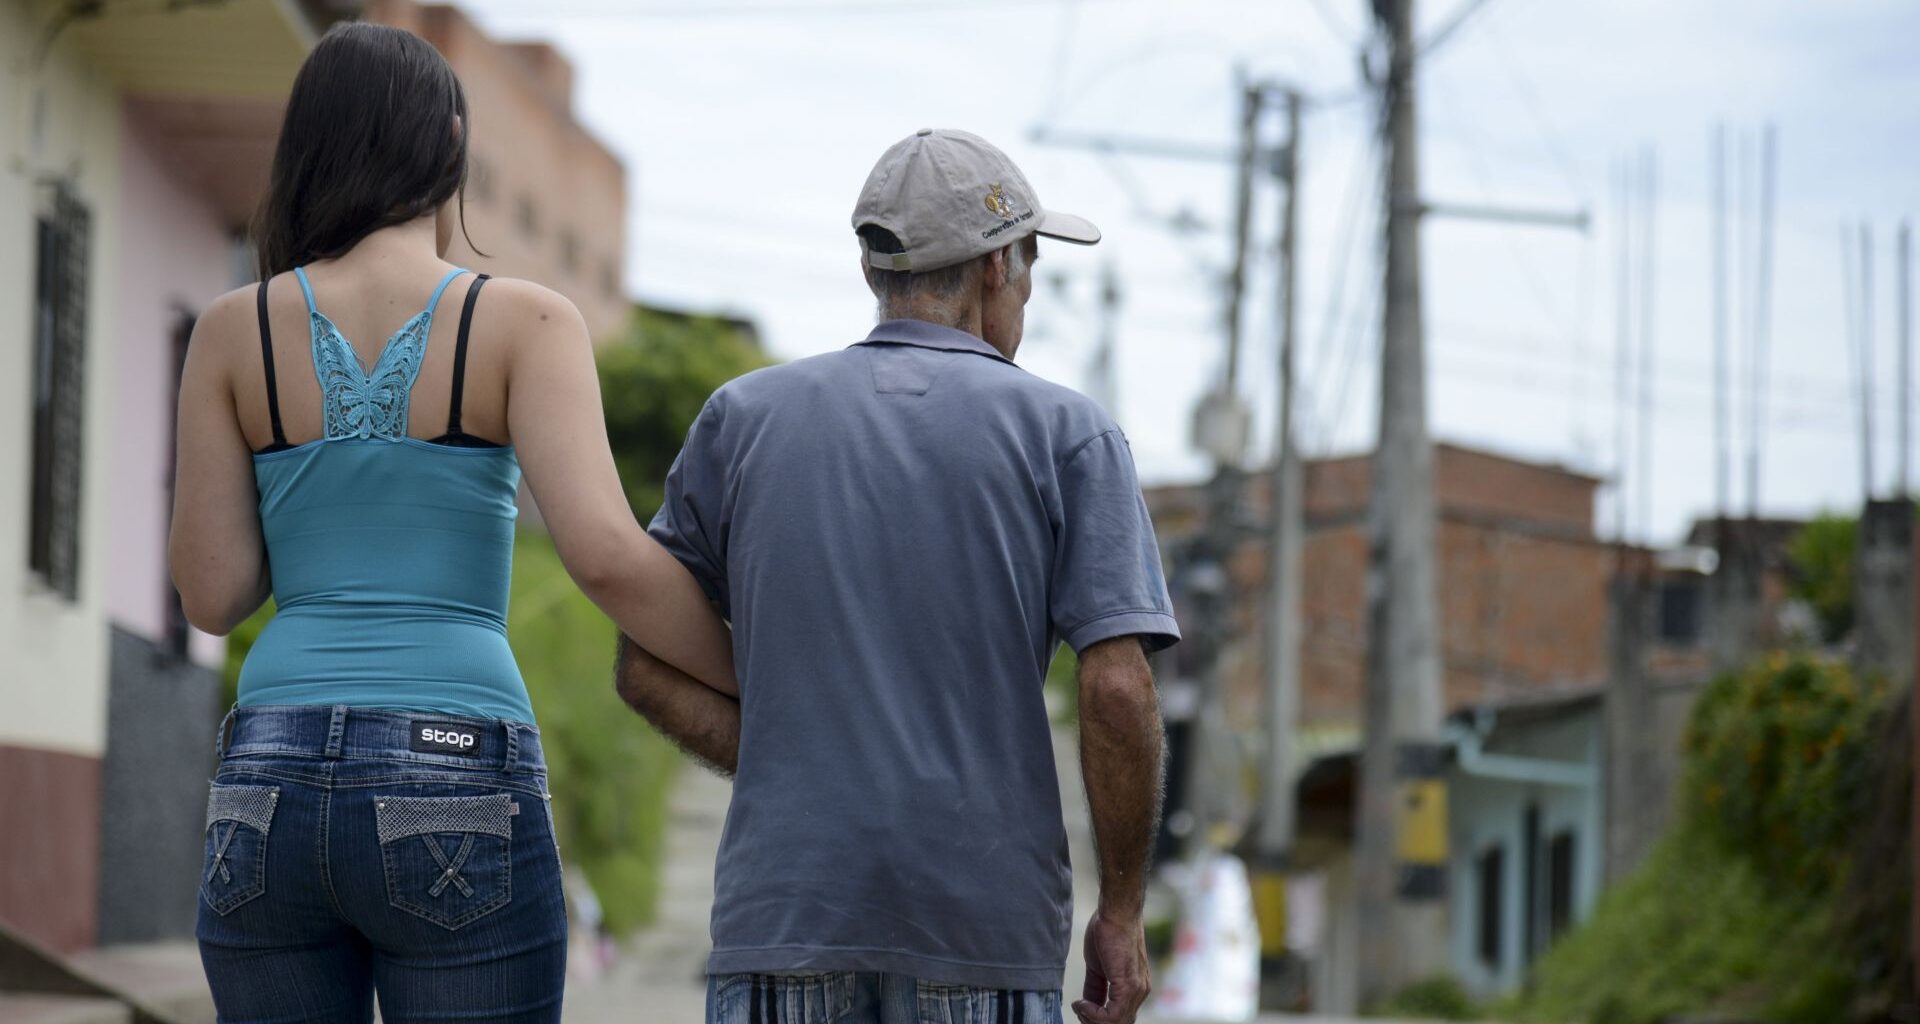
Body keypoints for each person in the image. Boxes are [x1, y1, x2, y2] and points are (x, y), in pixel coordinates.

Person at [168, 23, 736, 1024]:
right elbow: (603, 557)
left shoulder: (232, 327)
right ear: (453, 144)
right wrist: (757, 679)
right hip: (455, 760)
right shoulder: (525, 322)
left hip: (268, 772)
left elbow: (211, 594)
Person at [614, 128, 1179, 1024]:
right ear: (997, 267)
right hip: (983, 939)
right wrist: (1121, 911)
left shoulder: (743, 419)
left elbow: (644, 665)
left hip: (783, 923)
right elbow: (1116, 690)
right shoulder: (1068, 435)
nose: (1027, 295)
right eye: (1031, 268)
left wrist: (788, 766)